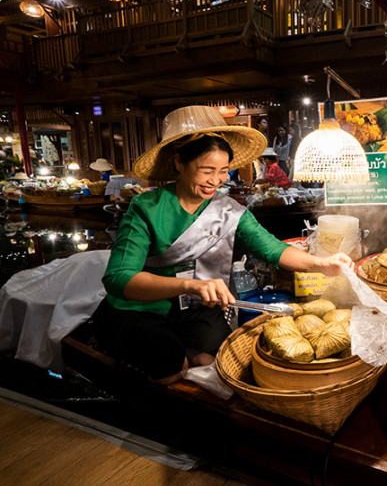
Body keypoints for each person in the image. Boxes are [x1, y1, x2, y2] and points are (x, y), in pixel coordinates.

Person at [92, 106, 351, 385]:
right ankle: (180, 361)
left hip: (195, 308)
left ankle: (187, 358)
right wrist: (190, 285)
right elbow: (119, 279)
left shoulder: (229, 210)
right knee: (167, 362)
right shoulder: (146, 208)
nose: (216, 181)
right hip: (141, 309)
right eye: (206, 171)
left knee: (225, 355)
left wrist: (319, 264)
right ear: (179, 163)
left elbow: (272, 249)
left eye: (224, 171)